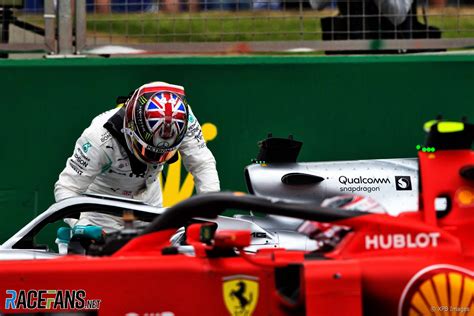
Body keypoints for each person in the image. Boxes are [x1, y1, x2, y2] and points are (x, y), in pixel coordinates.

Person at [54, 81, 220, 232]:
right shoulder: (98, 137)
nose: (156, 159)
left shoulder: (185, 119)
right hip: (102, 208)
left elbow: (202, 163)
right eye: (150, 151)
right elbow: (67, 187)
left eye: (164, 154)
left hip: (149, 203)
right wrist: (81, 225)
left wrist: (209, 213)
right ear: (130, 129)